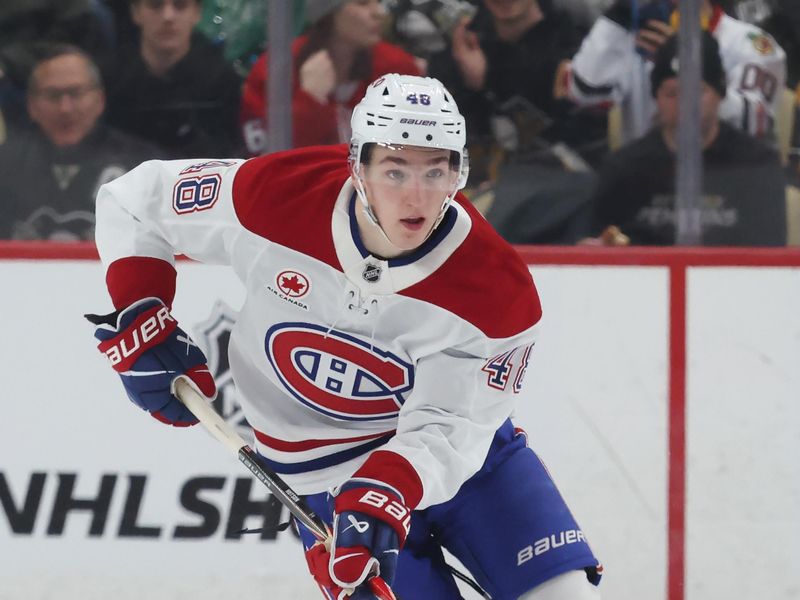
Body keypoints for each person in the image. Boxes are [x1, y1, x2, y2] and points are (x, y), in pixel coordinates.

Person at [87, 74, 603, 600]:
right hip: (324, 485)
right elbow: (135, 202)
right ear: (358, 166)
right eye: (395, 170)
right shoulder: (276, 195)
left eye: (435, 171)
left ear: (458, 173)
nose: (417, 196)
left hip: (469, 469)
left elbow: (454, 424)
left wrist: (390, 483)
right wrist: (141, 312)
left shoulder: (497, 290)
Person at [586, 32, 787, 245]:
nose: (684, 104)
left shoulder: (756, 165)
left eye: (697, 91)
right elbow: (598, 248)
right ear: (656, 99)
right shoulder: (623, 168)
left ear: (720, 94)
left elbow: (770, 252)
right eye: (672, 94)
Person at [426, 0, 607, 181]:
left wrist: (487, 80)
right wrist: (469, 86)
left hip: (564, 177)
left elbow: (576, 130)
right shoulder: (463, 43)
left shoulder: (573, 41)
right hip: (478, 180)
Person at [564, 0, 787, 145]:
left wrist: (682, 65)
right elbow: (583, 94)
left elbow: (754, 124)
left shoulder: (748, 43)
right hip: (643, 180)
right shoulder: (632, 36)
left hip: (725, 181)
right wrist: (616, 17)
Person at [0, 43, 158, 240]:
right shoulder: (4, 167)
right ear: (31, 105)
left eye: (76, 93)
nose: (65, 108)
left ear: (100, 100)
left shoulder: (143, 168)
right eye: (53, 95)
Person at [239, 0, 421, 155]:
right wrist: (309, 101)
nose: (379, 12)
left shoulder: (398, 69)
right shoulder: (276, 71)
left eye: (378, 2)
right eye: (362, 3)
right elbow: (265, 159)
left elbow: (420, 148)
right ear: (329, 14)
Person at [105, 0, 242, 158]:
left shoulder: (223, 81)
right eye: (155, 5)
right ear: (135, 12)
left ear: (197, 13)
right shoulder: (111, 80)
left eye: (180, 5)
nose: (168, 16)